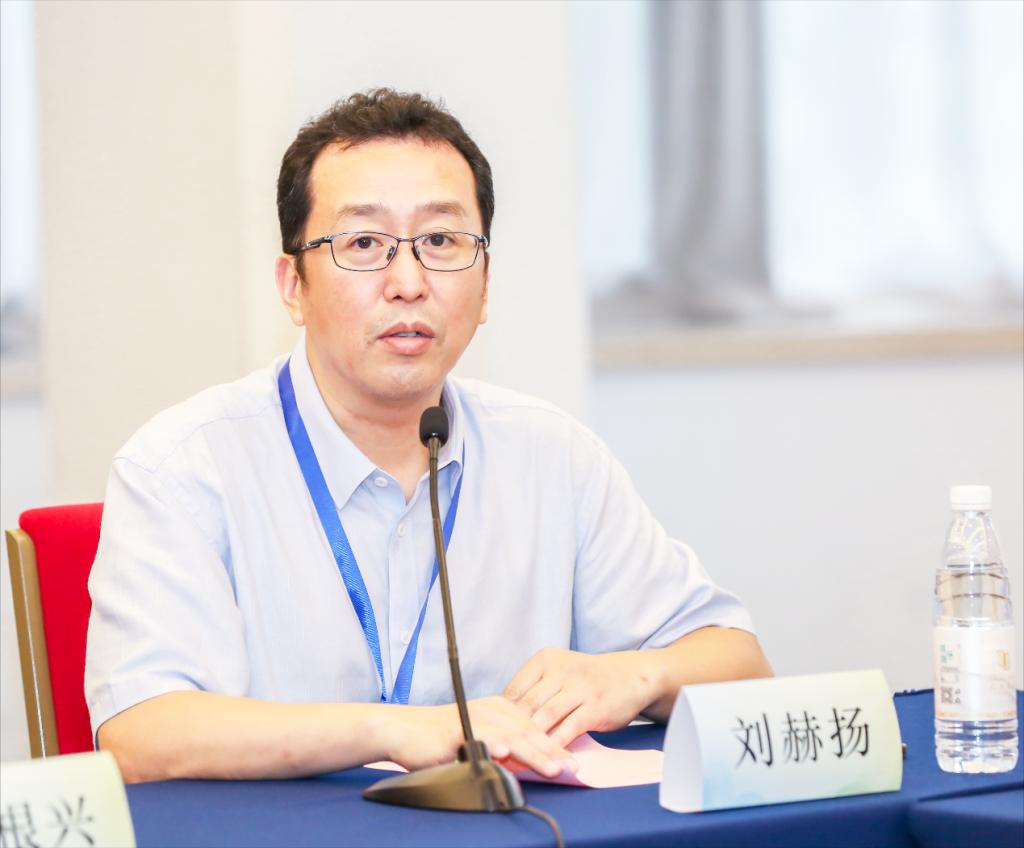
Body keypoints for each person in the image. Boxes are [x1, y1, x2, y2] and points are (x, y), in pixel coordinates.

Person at [85, 89, 772, 784]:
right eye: (364, 244)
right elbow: (140, 732)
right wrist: (397, 730)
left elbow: (740, 664)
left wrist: (634, 675)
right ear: (293, 286)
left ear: (486, 283)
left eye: (442, 242)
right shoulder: (183, 467)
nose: (409, 282)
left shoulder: (551, 455)